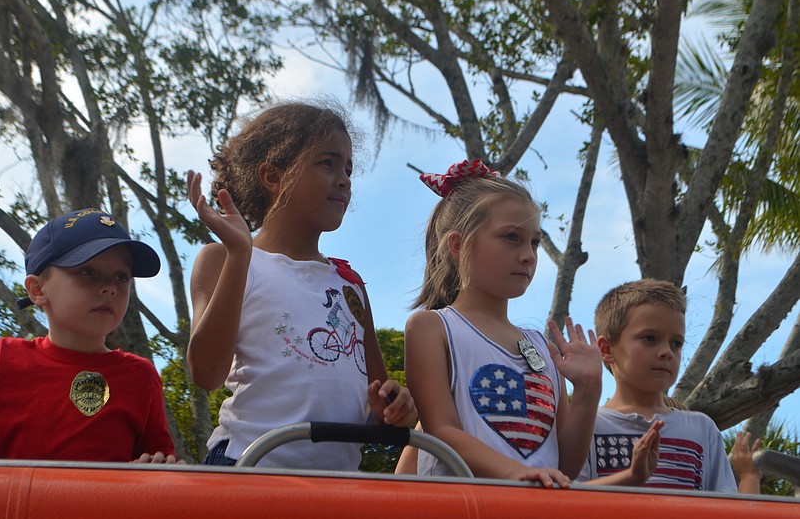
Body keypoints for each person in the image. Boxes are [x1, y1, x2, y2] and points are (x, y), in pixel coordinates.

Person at [187, 101, 416, 470]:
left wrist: (393, 406)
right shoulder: (224, 258)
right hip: (248, 467)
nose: (344, 179)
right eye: (327, 163)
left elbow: (376, 399)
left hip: (336, 485)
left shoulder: (350, 284)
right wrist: (240, 254)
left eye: (348, 168)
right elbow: (206, 374)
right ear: (273, 177)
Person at [403, 159, 603, 488]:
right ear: (458, 245)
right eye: (511, 237)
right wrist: (513, 472)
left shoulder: (543, 346)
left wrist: (587, 392)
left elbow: (564, 462)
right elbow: (441, 432)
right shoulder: (431, 328)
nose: (529, 255)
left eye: (534, 242)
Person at [0, 208, 179, 463]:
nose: (110, 288)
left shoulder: (141, 376)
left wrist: (154, 468)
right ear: (37, 290)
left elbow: (160, 465)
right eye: (88, 272)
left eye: (121, 277)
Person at [577, 278, 740, 492]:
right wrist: (631, 477)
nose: (667, 352)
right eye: (650, 338)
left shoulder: (702, 429)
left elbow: (724, 507)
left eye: (676, 343)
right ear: (607, 349)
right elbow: (569, 502)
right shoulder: (588, 426)